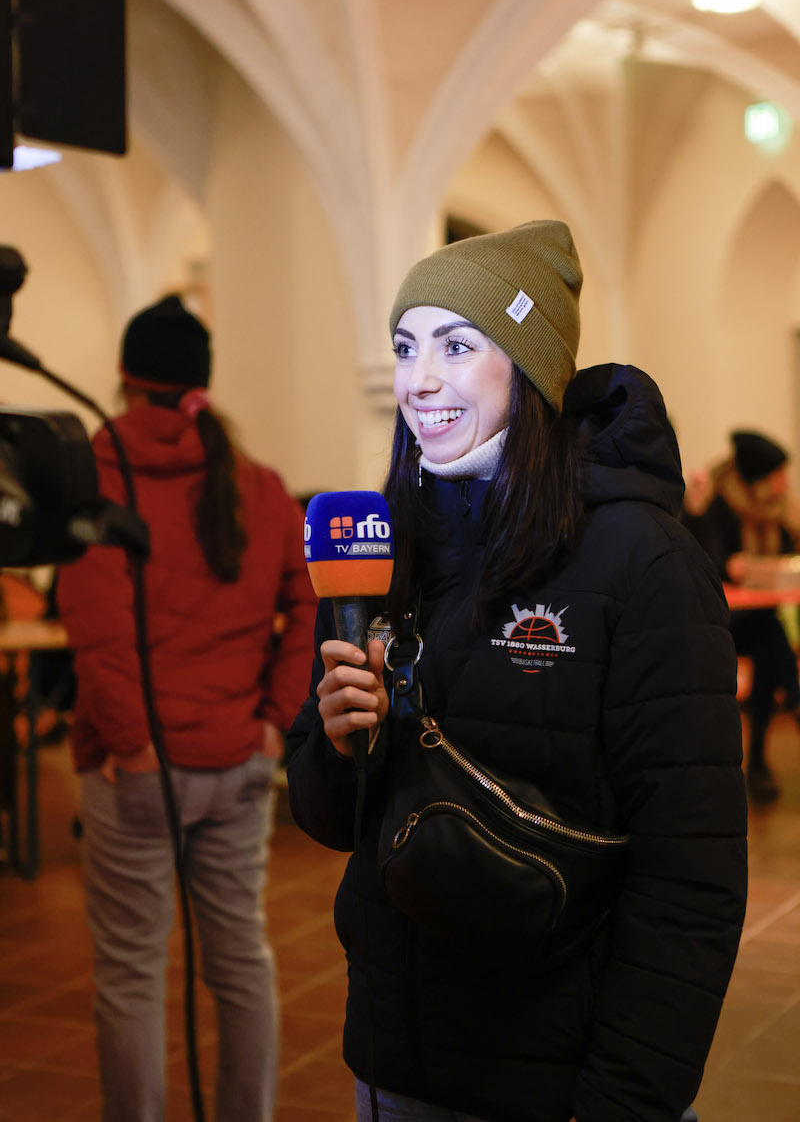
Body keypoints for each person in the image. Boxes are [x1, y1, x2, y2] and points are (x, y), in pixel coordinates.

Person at [285, 221, 748, 1122]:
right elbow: (329, 817)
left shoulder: (641, 561)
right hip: (396, 1066)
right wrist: (341, 745)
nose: (419, 380)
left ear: (530, 369)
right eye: (405, 347)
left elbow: (690, 875)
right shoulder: (381, 549)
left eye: (457, 345)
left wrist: (623, 1098)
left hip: (561, 1081)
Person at [58, 294, 316, 1122]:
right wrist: (273, 723)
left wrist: (132, 745)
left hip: (138, 769)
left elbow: (98, 634)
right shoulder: (259, 484)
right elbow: (310, 605)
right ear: (201, 381)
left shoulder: (95, 479)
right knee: (241, 961)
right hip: (238, 760)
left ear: (125, 377)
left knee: (132, 973)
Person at [683, 430, 800, 805]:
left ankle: (761, 761)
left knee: (769, 642)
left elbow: (787, 552)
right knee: (771, 635)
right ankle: (788, 715)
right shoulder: (718, 504)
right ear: (759, 477)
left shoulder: (778, 508)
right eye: (778, 474)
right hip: (720, 621)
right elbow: (714, 562)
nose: (784, 483)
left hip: (758, 619)